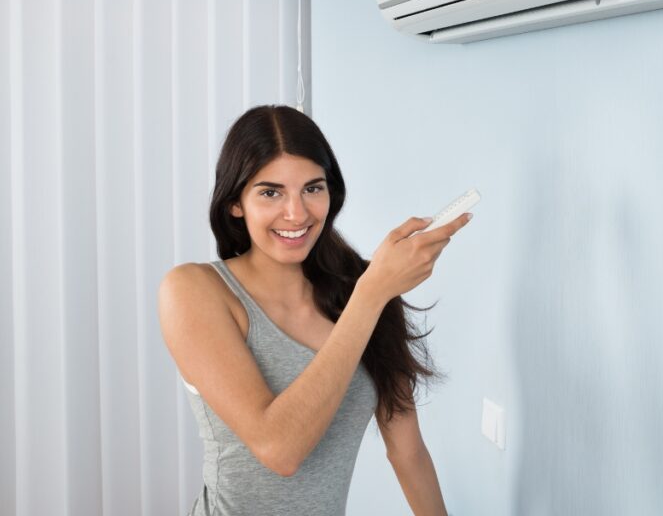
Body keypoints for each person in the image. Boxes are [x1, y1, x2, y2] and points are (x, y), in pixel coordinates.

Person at [159, 105, 470, 515]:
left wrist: (373, 292)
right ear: (235, 203)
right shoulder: (195, 291)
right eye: (270, 192)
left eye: (312, 188)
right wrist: (371, 295)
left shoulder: (366, 289)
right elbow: (280, 449)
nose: (297, 213)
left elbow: (408, 451)